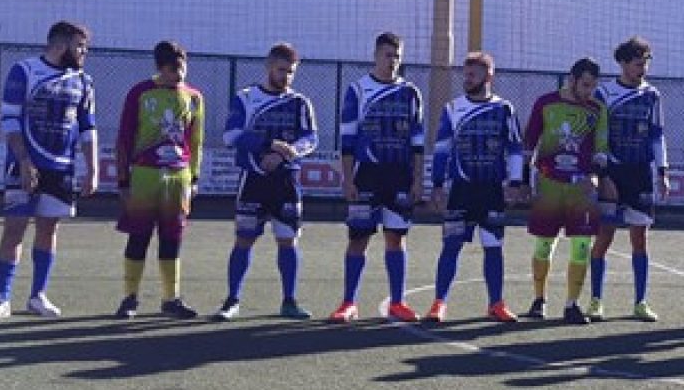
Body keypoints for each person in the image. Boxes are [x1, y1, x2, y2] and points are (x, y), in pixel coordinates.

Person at [0, 21, 99, 322]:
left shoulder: (83, 81)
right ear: (61, 44)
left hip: (62, 169)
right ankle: (1, 299)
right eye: (80, 46)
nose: (84, 52)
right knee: (15, 228)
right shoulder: (25, 71)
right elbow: (10, 121)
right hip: (24, 165)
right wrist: (23, 160)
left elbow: (87, 127)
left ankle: (37, 296)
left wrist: (93, 169)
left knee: (48, 229)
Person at [213, 43, 318, 321]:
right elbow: (230, 135)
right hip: (253, 180)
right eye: (282, 70)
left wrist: (288, 153)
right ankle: (232, 300)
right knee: (244, 239)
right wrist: (268, 146)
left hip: (286, 182)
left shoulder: (300, 102)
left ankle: (289, 301)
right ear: (269, 67)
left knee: (288, 241)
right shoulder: (246, 98)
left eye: (291, 72)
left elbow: (311, 139)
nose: (286, 77)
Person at [328, 32, 426, 323]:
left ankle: (398, 302)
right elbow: (346, 139)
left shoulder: (410, 93)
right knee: (359, 238)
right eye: (387, 55)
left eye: (397, 56)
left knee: (396, 238)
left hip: (399, 175)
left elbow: (418, 142)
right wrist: (347, 179)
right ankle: (348, 303)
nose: (392, 61)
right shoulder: (358, 90)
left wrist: (418, 179)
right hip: (366, 175)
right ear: (375, 55)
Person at [425, 52, 526, 323]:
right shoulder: (452, 108)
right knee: (451, 245)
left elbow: (515, 148)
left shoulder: (504, 109)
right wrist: (436, 185)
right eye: (465, 74)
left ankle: (496, 303)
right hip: (461, 189)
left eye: (473, 74)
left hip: (492, 190)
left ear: (488, 76)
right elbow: (442, 149)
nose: (467, 79)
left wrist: (515, 183)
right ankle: (439, 303)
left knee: (493, 247)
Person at [113, 40, 207, 319]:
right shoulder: (140, 93)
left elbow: (196, 141)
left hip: (178, 178)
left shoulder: (194, 97)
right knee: (138, 237)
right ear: (160, 67)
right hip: (145, 175)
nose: (179, 74)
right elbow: (125, 137)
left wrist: (194, 178)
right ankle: (129, 298)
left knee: (172, 238)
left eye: (182, 67)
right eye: (172, 69)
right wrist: (123, 181)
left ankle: (171, 299)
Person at [521, 57, 608, 325]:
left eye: (592, 87)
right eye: (584, 85)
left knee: (582, 246)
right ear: (571, 79)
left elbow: (601, 151)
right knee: (544, 244)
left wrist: (594, 174)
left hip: (581, 190)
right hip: (549, 185)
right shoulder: (545, 103)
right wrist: (524, 180)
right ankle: (539, 299)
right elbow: (528, 145)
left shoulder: (597, 109)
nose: (588, 92)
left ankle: (572, 304)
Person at [589, 36, 669, 322]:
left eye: (646, 63)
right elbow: (596, 135)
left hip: (641, 174)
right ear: (623, 63)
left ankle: (640, 302)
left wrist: (662, 171)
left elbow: (657, 134)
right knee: (605, 236)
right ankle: (596, 300)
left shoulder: (652, 95)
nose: (643, 69)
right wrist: (601, 172)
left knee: (640, 239)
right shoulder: (605, 94)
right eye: (638, 63)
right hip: (613, 172)